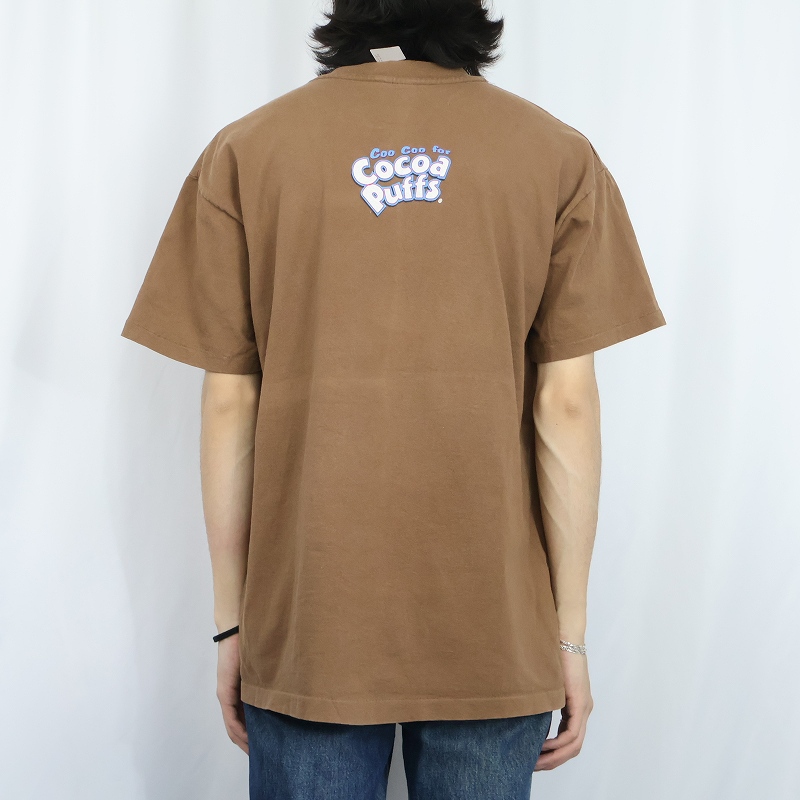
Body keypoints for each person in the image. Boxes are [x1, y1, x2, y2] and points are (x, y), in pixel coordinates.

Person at [120, 1, 667, 797]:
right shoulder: (555, 153)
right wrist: (569, 639)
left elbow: (230, 404)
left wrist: (233, 622)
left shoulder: (248, 150)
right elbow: (568, 406)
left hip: (311, 631)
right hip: (495, 630)